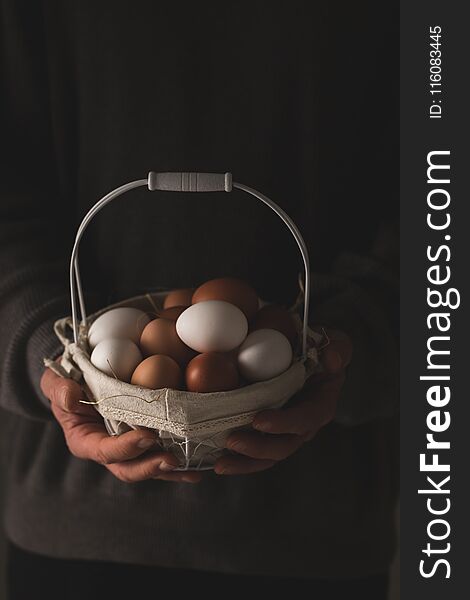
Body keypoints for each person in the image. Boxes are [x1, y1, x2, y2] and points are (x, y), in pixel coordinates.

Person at [0, 1, 399, 598]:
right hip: (75, 523)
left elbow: (437, 171)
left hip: (312, 528)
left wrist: (350, 340)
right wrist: (47, 356)